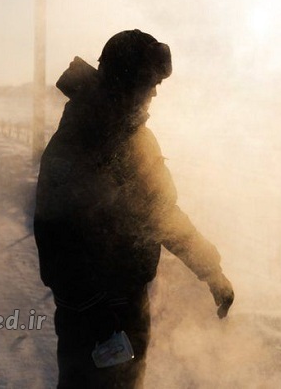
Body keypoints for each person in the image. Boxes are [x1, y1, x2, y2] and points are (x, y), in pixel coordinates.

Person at [34, 29, 234, 388]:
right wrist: (93, 311)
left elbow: (161, 213)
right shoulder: (80, 139)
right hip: (93, 320)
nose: (156, 92)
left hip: (127, 308)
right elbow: (53, 230)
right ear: (126, 81)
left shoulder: (135, 137)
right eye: (151, 82)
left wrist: (211, 270)